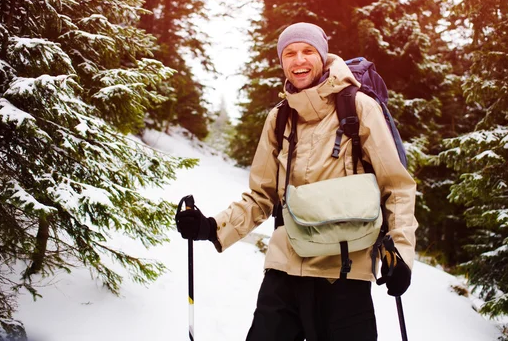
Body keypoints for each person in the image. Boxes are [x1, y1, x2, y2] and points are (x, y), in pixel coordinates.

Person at [176, 22, 418, 341]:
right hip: (285, 271)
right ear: (282, 62)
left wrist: (400, 253)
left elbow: (396, 187)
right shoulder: (279, 118)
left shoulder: (359, 108)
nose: (298, 60)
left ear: (322, 55)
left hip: (345, 273)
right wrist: (211, 227)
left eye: (307, 51)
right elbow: (261, 196)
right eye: (289, 53)